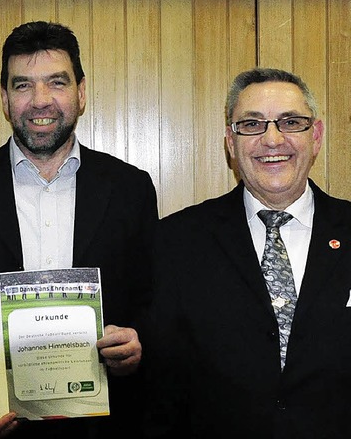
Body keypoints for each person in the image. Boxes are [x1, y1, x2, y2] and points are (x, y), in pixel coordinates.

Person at [0, 21, 158, 438]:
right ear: (6, 99)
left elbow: (153, 302)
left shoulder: (130, 188)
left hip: (106, 426)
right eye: (23, 85)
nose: (40, 101)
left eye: (56, 83)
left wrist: (137, 345)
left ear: (81, 93)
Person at [141, 68, 351, 438]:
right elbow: (163, 382)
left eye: (291, 122)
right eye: (252, 125)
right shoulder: (177, 240)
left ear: (315, 137)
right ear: (230, 142)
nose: (272, 139)